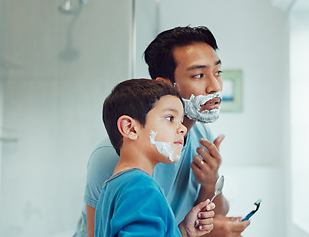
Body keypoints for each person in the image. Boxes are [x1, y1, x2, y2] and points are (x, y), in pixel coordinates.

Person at [73, 26, 250, 237]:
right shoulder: (115, 155)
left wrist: (210, 182)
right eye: (199, 75)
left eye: (217, 72)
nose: (215, 86)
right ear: (166, 85)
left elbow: (209, 218)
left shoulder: (201, 136)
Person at [95, 78, 215, 237]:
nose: (183, 129)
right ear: (130, 128)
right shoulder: (141, 188)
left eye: (181, 121)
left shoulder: (112, 187)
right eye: (170, 118)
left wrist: (183, 231)